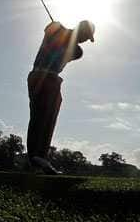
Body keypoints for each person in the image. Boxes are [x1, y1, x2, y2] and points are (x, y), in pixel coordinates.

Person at [26, 19, 95, 174]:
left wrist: (61, 31)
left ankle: (39, 157)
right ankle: (37, 156)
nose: (84, 40)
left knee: (48, 116)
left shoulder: (76, 50)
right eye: (85, 35)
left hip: (50, 78)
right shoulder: (57, 31)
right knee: (41, 116)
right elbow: (49, 29)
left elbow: (75, 51)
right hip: (42, 76)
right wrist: (58, 28)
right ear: (80, 29)